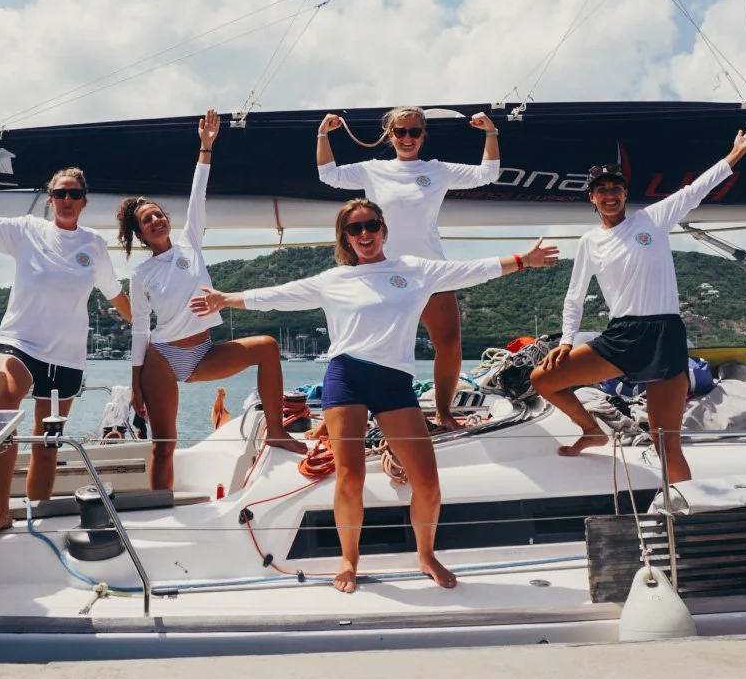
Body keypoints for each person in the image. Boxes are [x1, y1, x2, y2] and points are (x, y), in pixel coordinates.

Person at [191, 198, 557, 593]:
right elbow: (279, 295)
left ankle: (426, 555)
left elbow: (470, 270)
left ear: (383, 229)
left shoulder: (415, 270)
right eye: (355, 229)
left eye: (370, 226)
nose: (364, 234)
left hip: (393, 382)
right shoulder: (334, 280)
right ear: (345, 238)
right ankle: (349, 559)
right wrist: (225, 299)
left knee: (428, 482)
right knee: (350, 476)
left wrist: (522, 260)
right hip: (346, 377)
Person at [530, 119, 746, 484]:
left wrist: (736, 153)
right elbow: (574, 295)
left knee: (664, 441)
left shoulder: (651, 220)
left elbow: (694, 190)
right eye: (601, 190)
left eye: (616, 188)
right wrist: (566, 340)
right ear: (591, 198)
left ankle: (688, 513)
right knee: (543, 378)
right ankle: (591, 431)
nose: (609, 195)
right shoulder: (589, 242)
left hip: (663, 334)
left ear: (625, 193)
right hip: (621, 334)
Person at [118, 110, 307, 491]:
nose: (155, 220)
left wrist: (206, 147)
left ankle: (275, 432)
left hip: (203, 352)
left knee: (267, 347)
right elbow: (140, 328)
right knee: (165, 444)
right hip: (163, 358)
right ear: (140, 234)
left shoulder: (190, 241)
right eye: (147, 220)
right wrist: (135, 380)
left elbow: (197, 195)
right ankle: (159, 508)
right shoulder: (141, 275)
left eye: (157, 214)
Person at [0, 157, 132, 544]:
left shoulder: (93, 245)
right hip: (20, 341)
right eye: (59, 193)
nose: (67, 199)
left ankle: (38, 516)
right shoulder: (26, 230)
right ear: (49, 199)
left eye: (75, 194)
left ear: (84, 201)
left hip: (66, 357)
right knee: (3, 402)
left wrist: (148, 330)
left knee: (47, 443)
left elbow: (115, 292)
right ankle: (0, 512)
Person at [317, 107, 500, 432]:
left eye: (414, 132)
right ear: (390, 135)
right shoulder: (373, 170)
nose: (407, 138)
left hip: (430, 270)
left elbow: (488, 173)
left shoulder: (438, 170)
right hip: (381, 273)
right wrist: (323, 135)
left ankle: (443, 413)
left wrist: (491, 133)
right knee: (364, 345)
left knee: (448, 342)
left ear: (422, 135)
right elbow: (328, 174)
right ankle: (355, 414)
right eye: (400, 132)